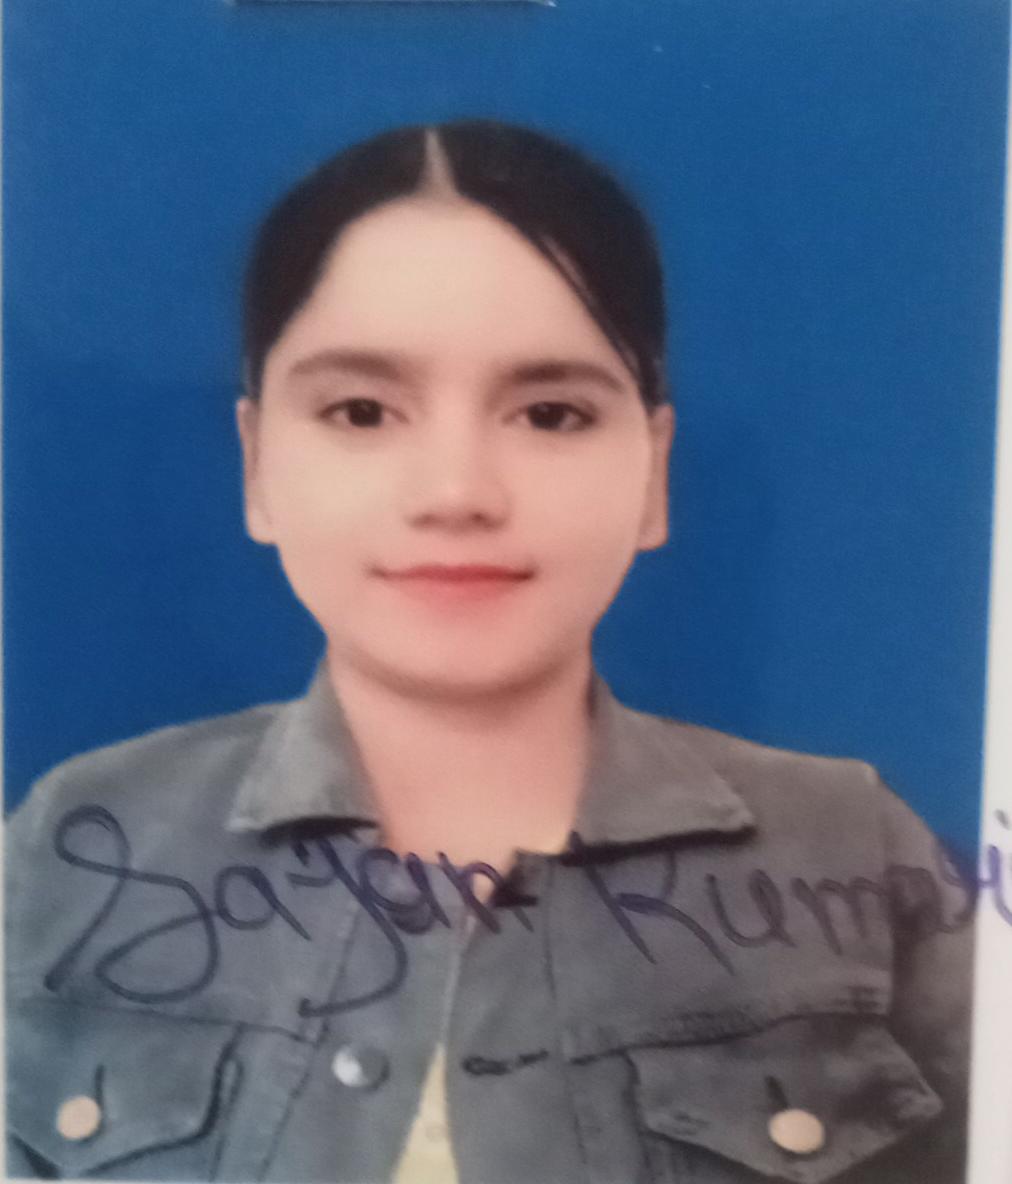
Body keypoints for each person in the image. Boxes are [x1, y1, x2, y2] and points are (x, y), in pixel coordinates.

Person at [5, 120, 974, 1184]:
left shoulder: (854, 851)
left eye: (550, 413)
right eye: (361, 411)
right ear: (258, 465)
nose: (456, 491)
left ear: (653, 473)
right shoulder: (73, 843)